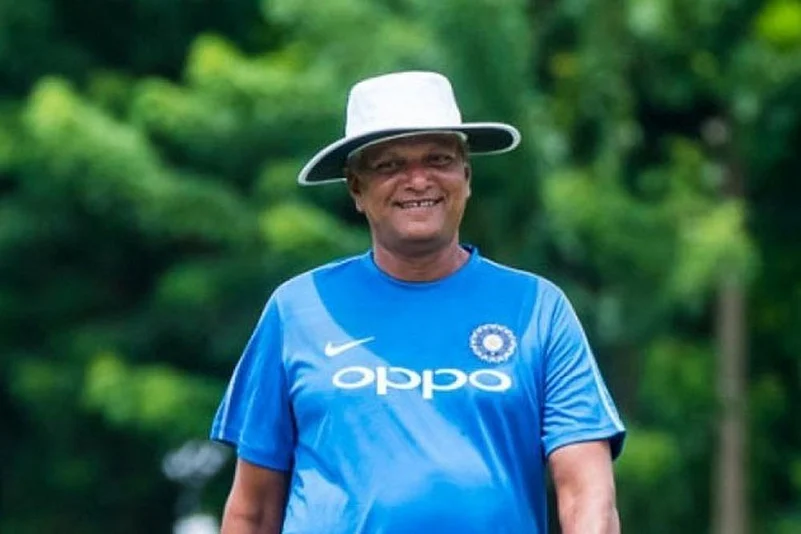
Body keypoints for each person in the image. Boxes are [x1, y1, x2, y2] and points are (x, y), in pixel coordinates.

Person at [210, 71, 626, 534]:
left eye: (439, 159)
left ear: (466, 176)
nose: (418, 180)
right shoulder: (298, 309)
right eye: (389, 165)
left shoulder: (537, 309)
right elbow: (253, 511)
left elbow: (588, 497)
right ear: (356, 188)